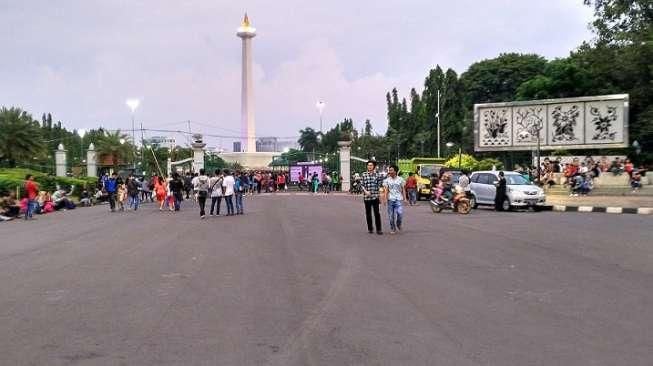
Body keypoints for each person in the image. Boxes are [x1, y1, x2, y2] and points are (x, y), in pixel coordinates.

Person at [382, 164, 406, 234]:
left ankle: (398, 224)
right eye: (389, 170)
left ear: (395, 171)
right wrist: (385, 199)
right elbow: (386, 190)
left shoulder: (401, 180)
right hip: (390, 199)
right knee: (391, 216)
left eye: (391, 170)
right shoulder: (387, 180)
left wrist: (405, 199)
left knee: (400, 213)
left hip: (398, 199)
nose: (390, 171)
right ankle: (392, 228)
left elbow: (403, 189)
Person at [361, 160, 383, 235]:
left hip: (375, 197)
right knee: (368, 213)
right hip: (367, 197)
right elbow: (362, 185)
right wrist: (365, 191)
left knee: (377, 213)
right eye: (368, 165)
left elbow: (380, 186)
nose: (369, 166)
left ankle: (379, 229)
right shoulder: (364, 174)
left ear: (374, 166)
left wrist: (380, 195)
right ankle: (370, 228)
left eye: (371, 165)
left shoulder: (378, 175)